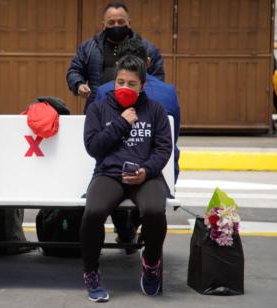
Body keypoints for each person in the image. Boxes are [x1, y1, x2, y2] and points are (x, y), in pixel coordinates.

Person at [81, 55, 172, 302]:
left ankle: (151, 263)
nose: (124, 87)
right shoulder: (98, 109)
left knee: (155, 210)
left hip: (145, 176)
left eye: (131, 83)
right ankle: (91, 272)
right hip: (109, 175)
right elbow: (93, 147)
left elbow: (163, 149)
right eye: (120, 81)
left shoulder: (155, 111)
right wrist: (121, 123)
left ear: (142, 85)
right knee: (93, 212)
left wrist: (146, 171)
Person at [94, 37, 180, 248]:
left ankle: (125, 232)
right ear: (148, 62)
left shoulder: (105, 91)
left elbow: (97, 138)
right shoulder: (168, 91)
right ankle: (144, 232)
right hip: (162, 165)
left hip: (123, 167)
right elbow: (173, 136)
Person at [66, 0, 165, 113]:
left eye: (121, 22)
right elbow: (74, 70)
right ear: (104, 25)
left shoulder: (146, 48)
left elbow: (158, 79)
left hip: (137, 110)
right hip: (98, 107)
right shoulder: (89, 47)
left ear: (129, 23)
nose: (116, 25)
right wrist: (78, 84)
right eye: (111, 22)